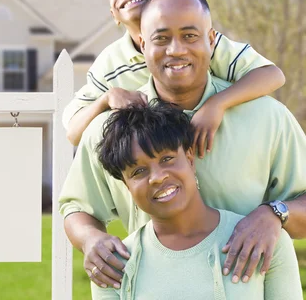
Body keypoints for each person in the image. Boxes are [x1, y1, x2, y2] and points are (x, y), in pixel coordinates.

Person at [58, 0, 306, 290]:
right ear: (142, 43)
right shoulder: (111, 130)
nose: (175, 50)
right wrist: (91, 239)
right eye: (161, 38)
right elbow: (76, 208)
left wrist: (274, 214)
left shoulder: (268, 118)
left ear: (211, 39)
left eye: (190, 36)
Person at [63, 0, 285, 161]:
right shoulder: (110, 64)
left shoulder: (201, 42)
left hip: (218, 151)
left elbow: (272, 75)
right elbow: (73, 133)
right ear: (114, 14)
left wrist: (217, 104)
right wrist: (106, 98)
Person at [90, 102, 302, 299]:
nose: (157, 177)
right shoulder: (112, 265)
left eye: (167, 159)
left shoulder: (264, 241)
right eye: (138, 171)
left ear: (190, 159)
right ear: (127, 186)